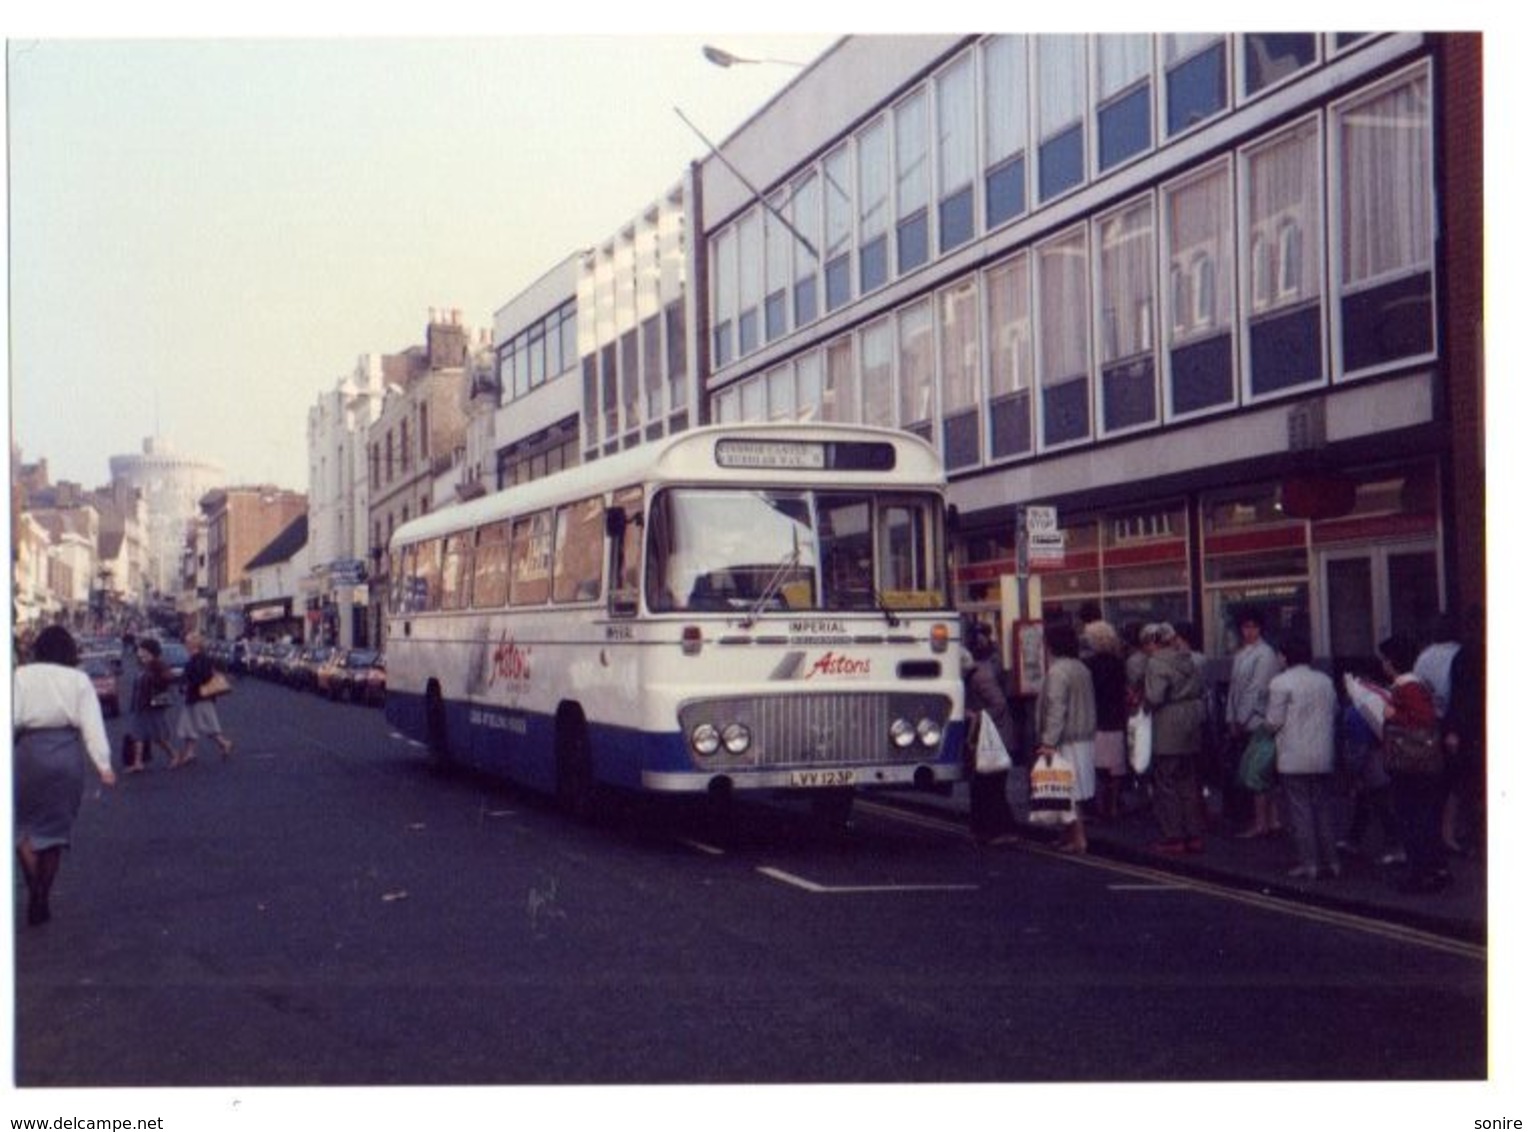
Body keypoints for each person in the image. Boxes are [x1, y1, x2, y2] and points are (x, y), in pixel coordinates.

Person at [13, 625, 117, 926]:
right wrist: (104, 765)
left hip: (28, 754)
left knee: (21, 828)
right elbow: (92, 724)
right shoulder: (79, 680)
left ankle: (33, 888)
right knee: (54, 835)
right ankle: (43, 894)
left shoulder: (21, 676)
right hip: (66, 756)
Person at [1379, 634, 1450, 894]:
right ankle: (1433, 870)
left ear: (1392, 662)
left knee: (1412, 819)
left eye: (1385, 659)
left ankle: (1419, 875)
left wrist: (1392, 715)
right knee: (1424, 817)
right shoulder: (1415, 684)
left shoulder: (1407, 687)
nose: (1383, 664)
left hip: (1411, 763)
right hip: (1420, 763)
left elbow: (1423, 719)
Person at [1265, 635, 1340, 881]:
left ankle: (1309, 865)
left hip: (1293, 757)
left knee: (1300, 812)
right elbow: (1335, 712)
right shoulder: (1325, 681)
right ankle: (1332, 862)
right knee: (1324, 809)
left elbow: (1274, 722)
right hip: (1323, 755)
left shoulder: (1280, 682)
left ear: (1285, 657)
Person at [1141, 623, 1207, 854]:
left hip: (1168, 723)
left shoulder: (1157, 662)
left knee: (1166, 782)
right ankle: (1194, 834)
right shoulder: (1188, 659)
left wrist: (1143, 703)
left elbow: (1155, 696)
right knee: (1188, 781)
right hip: (1191, 722)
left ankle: (1173, 837)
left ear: (1155, 642)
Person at [1036, 619, 1096, 853]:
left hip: (1065, 739)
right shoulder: (1081, 668)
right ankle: (1067, 835)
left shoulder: (1058, 671)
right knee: (1071, 790)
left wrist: (1048, 742)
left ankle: (1079, 838)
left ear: (1052, 645)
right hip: (1083, 736)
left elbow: (1056, 708)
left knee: (1065, 791)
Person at [963, 623, 1022, 846]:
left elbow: (999, 704)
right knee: (983, 787)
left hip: (996, 740)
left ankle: (1005, 831)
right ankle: (985, 831)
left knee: (992, 787)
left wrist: (975, 715)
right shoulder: (973, 676)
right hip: (986, 739)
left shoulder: (980, 677)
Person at [1226, 608, 1283, 838]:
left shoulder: (1265, 654)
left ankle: (1263, 823)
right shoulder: (1242, 654)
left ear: (1261, 629)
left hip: (1258, 720)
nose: (1249, 631)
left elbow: (1257, 689)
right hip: (1244, 720)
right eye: (1245, 627)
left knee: (1258, 773)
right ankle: (1271, 820)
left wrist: (1239, 719)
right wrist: (1231, 717)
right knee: (1261, 772)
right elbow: (1234, 689)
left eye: (1254, 627)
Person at [1082, 619, 1128, 821]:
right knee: (1115, 765)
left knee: (1098, 765)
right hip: (1116, 717)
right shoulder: (1119, 663)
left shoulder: (1089, 665)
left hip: (1097, 718)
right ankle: (1113, 805)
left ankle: (1100, 805)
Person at [172, 632, 234, 767]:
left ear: (195, 644)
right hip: (194, 697)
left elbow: (202, 677)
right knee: (189, 725)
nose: (185, 645)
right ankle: (190, 752)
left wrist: (189, 684)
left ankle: (224, 743)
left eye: (187, 642)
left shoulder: (201, 659)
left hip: (200, 697)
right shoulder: (195, 658)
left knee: (206, 725)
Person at [126, 637, 177, 771]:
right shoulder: (143, 665)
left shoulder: (157, 664)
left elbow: (168, 678)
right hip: (140, 705)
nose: (139, 652)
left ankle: (174, 755)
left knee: (158, 736)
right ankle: (138, 763)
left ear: (150, 651)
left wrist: (155, 680)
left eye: (142, 650)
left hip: (152, 705)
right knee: (138, 733)